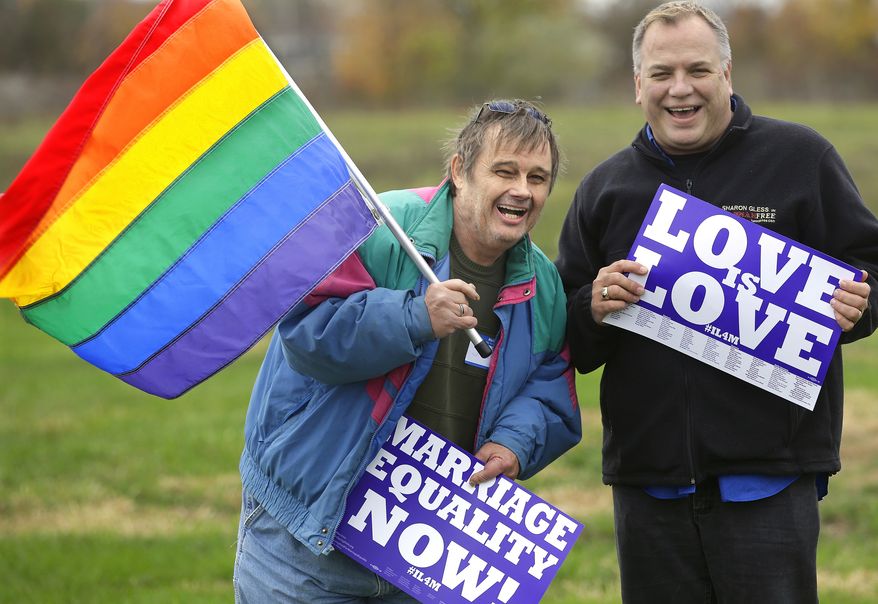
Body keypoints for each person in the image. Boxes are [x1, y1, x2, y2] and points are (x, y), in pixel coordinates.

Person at [555, 2, 878, 603]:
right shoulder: (605, 189)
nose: (681, 89)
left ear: (728, 73)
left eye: (698, 70)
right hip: (649, 490)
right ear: (637, 85)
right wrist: (592, 308)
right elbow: (562, 331)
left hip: (771, 485)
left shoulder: (801, 158)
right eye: (662, 73)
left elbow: (871, 266)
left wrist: (863, 304)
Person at [233, 99, 581, 603]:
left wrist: (513, 442)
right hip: (305, 535)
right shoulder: (378, 224)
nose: (521, 191)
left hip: (421, 547)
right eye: (504, 171)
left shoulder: (541, 282)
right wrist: (414, 317)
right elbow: (307, 332)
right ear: (460, 171)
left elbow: (550, 376)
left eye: (537, 177)